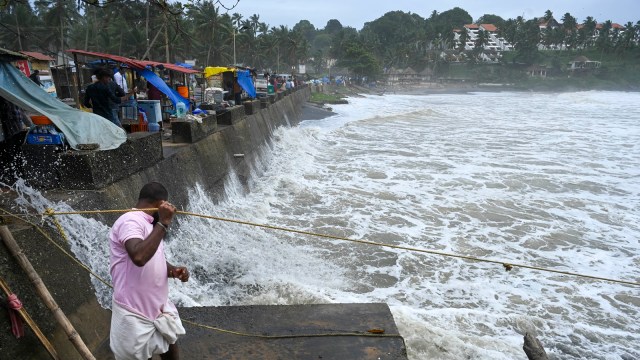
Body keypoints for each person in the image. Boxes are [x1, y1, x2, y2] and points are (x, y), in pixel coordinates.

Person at [109, 182, 189, 360]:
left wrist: (172, 270)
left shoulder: (149, 224)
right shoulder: (130, 221)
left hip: (157, 307)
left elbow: (153, 257)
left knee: (169, 343)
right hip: (134, 310)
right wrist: (164, 222)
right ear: (161, 204)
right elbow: (139, 256)